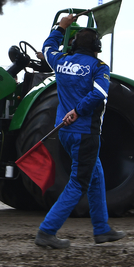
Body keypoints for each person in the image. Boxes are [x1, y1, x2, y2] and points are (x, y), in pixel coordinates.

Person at [34, 14, 125, 249]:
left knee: (97, 175)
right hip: (85, 133)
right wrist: (78, 110)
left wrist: (61, 27)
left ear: (73, 45)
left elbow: (47, 48)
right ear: (97, 48)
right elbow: (99, 94)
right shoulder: (99, 67)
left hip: (65, 132)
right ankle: (47, 231)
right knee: (77, 183)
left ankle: (102, 229)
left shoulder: (61, 61)